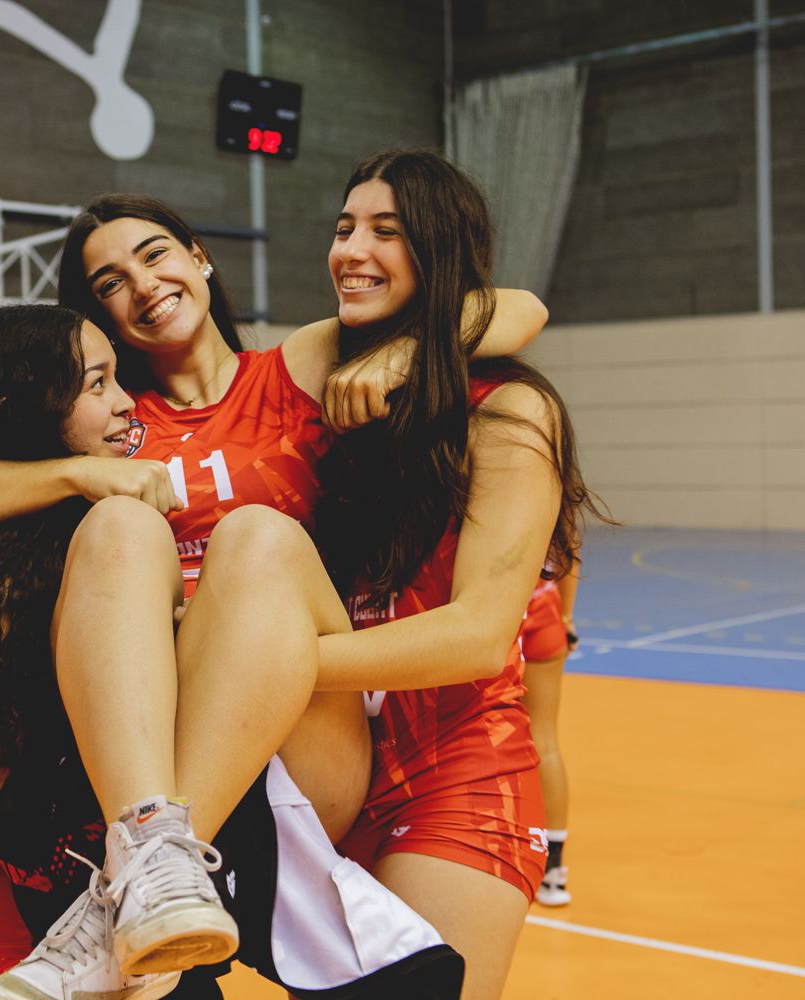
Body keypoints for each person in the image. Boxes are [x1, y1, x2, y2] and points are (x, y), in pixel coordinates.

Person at [0, 304, 465, 1000]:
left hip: (272, 790)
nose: (125, 404)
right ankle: (146, 868)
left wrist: (238, 660)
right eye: (96, 384)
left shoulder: (217, 422)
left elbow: (505, 309)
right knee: (126, 525)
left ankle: (146, 863)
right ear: (30, 401)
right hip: (58, 874)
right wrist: (76, 480)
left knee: (258, 537)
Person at [309, 149, 601, 999]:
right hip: (329, 771)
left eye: (386, 232)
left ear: (439, 254)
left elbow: (477, 635)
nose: (352, 249)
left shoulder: (508, 409)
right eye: (343, 228)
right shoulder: (321, 383)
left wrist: (265, 666)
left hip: (456, 769)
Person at [520, 557, 581, 906]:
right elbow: (569, 550)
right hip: (545, 605)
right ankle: (553, 872)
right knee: (545, 738)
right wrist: (565, 616)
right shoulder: (554, 500)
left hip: (502, 616)